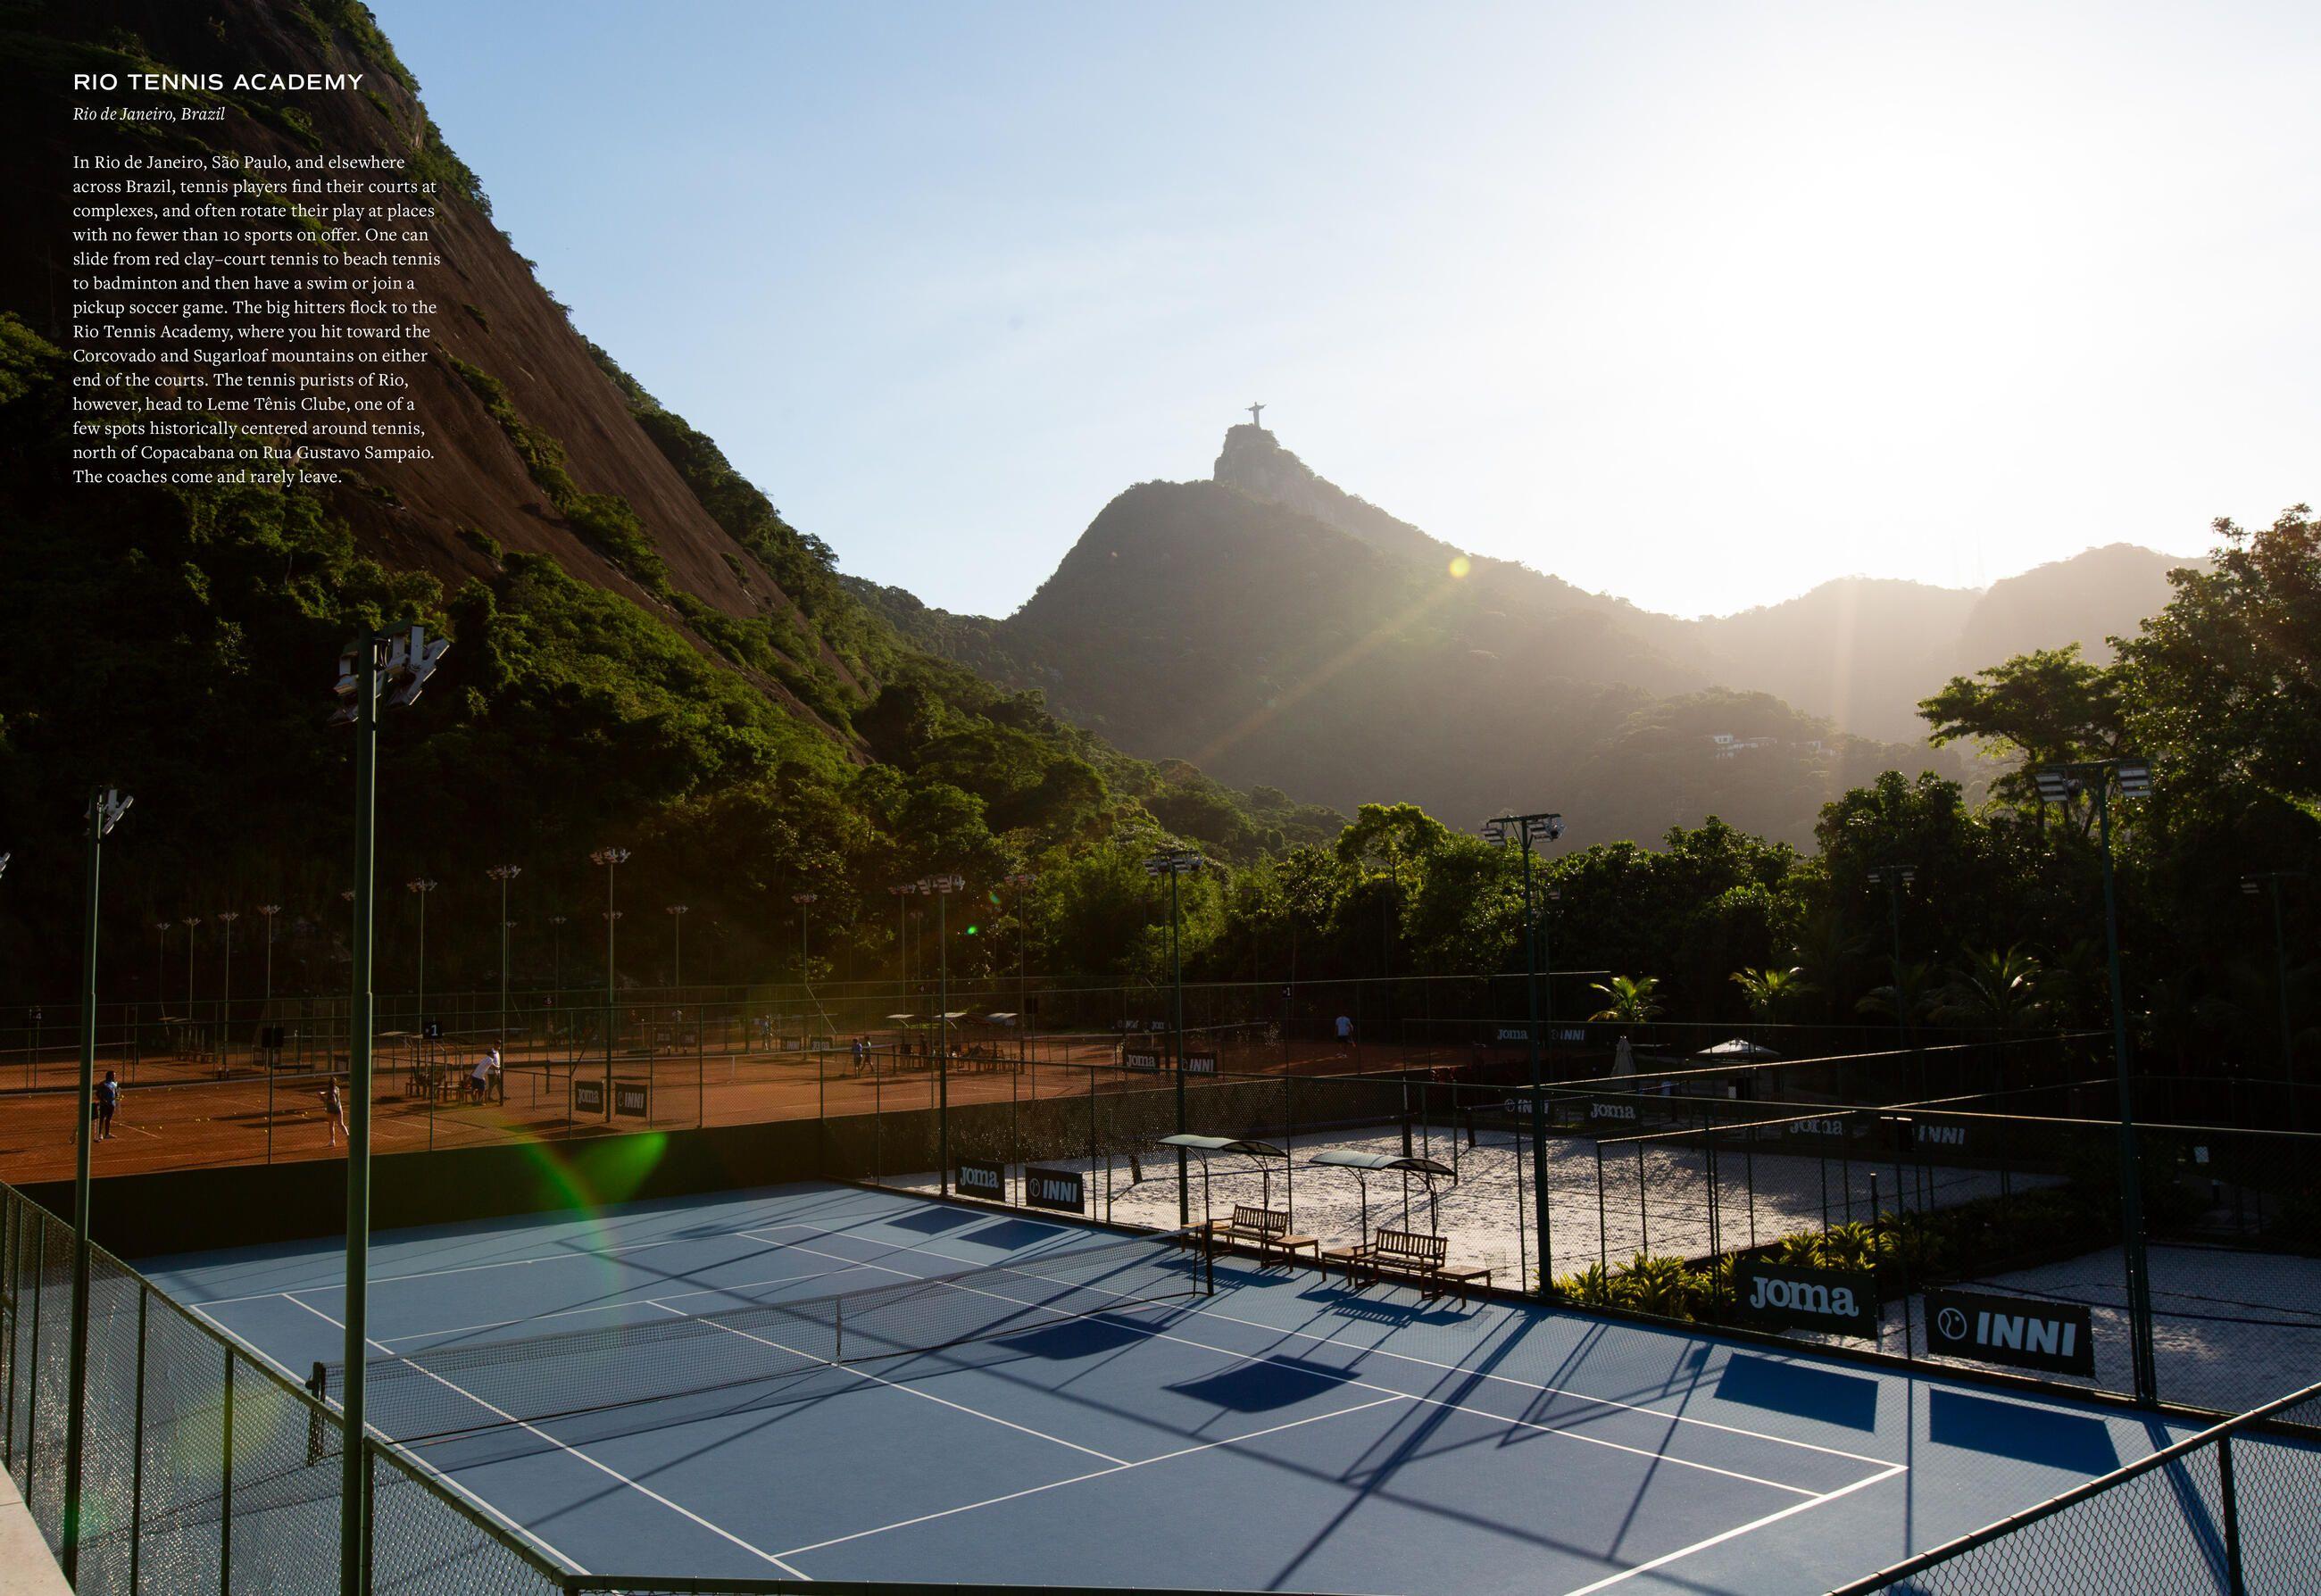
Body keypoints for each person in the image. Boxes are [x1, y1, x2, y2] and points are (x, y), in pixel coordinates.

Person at [320, 1078, 345, 1148]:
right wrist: (322, 1093)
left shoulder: (331, 1091)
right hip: (338, 1108)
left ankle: (332, 1141)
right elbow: (330, 1092)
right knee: (341, 1124)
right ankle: (348, 1136)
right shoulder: (337, 1089)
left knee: (331, 1125)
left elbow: (333, 1100)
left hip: (331, 1109)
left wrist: (325, 1100)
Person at [95, 1070, 119, 1141]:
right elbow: (97, 1093)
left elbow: (115, 1092)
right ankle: (100, 1134)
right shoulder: (103, 1084)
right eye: (113, 1075)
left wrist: (117, 1096)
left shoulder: (114, 1084)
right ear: (110, 1076)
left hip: (112, 1104)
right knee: (102, 1119)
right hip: (104, 1104)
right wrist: (103, 1099)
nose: (114, 1076)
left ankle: (107, 1134)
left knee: (108, 1119)